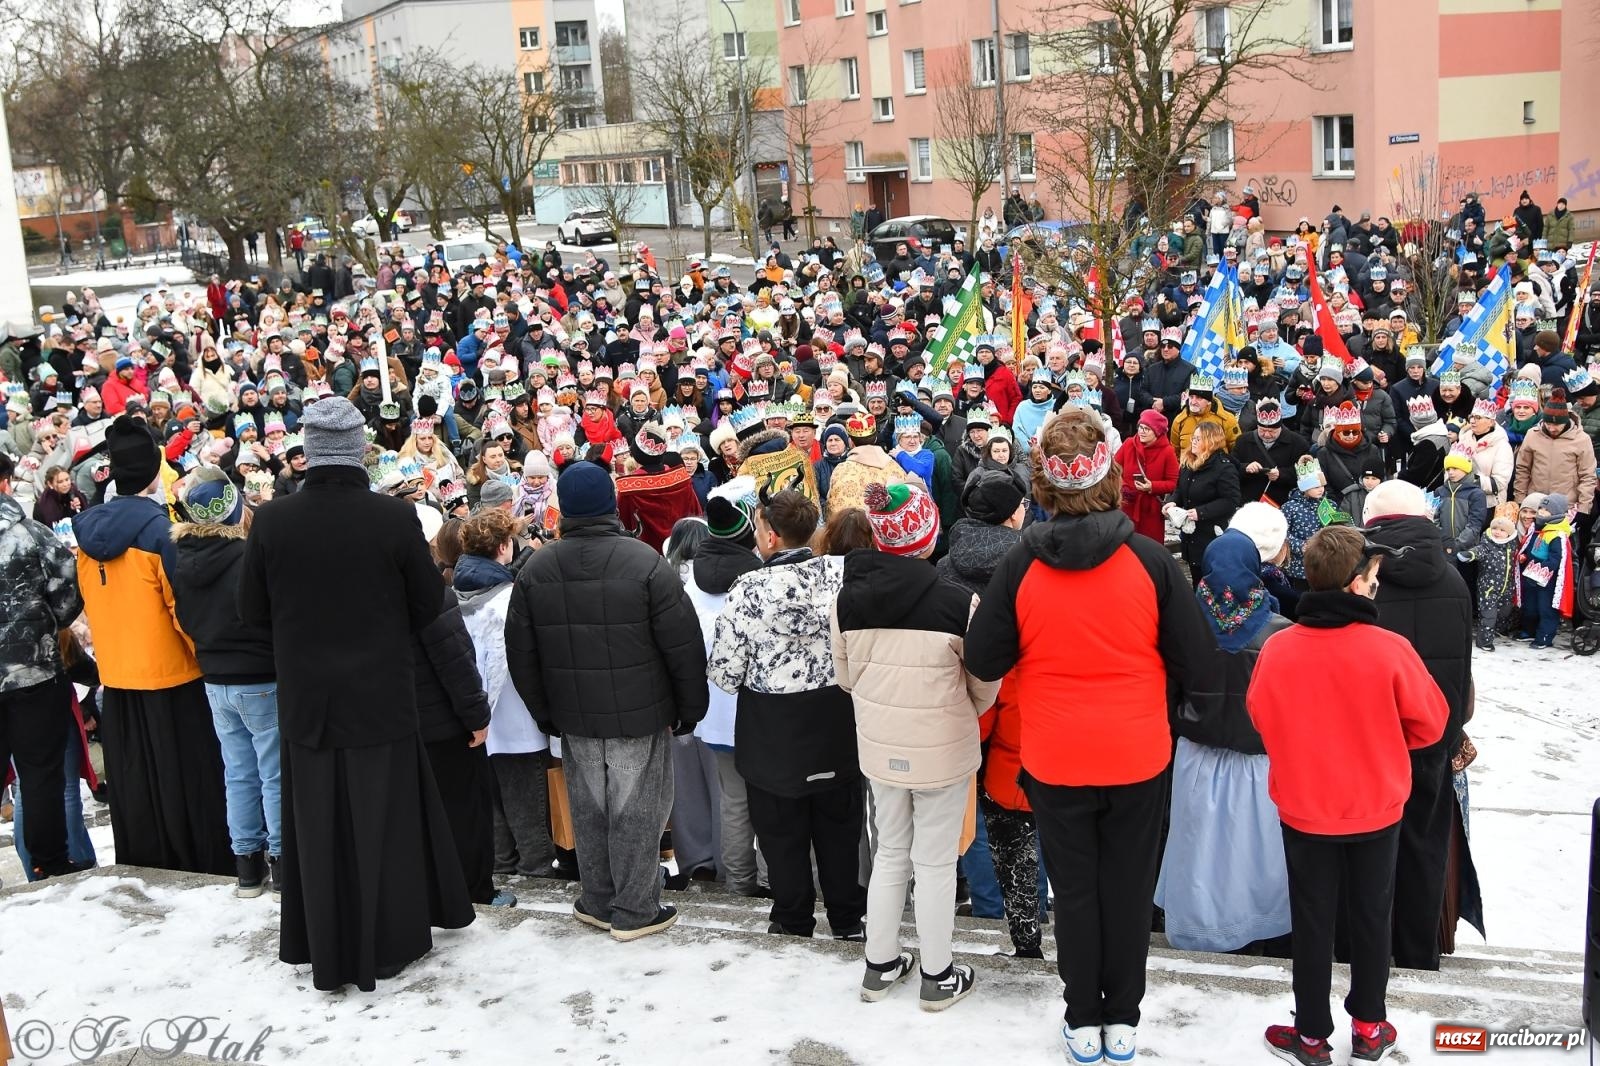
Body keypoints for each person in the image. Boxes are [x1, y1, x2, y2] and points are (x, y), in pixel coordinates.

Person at [965, 409, 1215, 1065]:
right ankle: (1121, 1019)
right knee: (1128, 890)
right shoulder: (1153, 562)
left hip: (1053, 753)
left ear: (1043, 481)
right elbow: (1199, 662)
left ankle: (1082, 1017)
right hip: (1137, 752)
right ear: (1108, 476)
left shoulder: (1021, 564)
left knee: (1074, 893)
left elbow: (984, 658)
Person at [239, 397, 474, 990]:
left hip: (309, 701)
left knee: (317, 826)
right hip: (381, 697)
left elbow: (251, 612)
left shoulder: (272, 521)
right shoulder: (393, 519)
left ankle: (325, 943)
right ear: (359, 451)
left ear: (310, 451)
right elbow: (427, 605)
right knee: (384, 820)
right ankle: (390, 941)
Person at [1251, 525, 1448, 1066]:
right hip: (1374, 806)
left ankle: (1311, 1035)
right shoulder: (1390, 649)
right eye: (1375, 577)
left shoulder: (1280, 648)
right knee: (1371, 914)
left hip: (1305, 806)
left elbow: (1261, 718)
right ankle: (1368, 1024)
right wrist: (1384, 741)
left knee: (1312, 919)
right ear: (1359, 585)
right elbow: (1430, 724)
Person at [505, 460, 708, 941]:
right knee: (637, 809)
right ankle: (635, 908)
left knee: (591, 807)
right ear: (609, 504)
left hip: (574, 714)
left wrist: (545, 714)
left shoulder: (537, 567)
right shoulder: (644, 562)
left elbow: (521, 653)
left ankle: (598, 898)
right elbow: (683, 646)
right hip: (640, 713)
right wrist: (689, 709)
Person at [834, 481, 1000, 1010]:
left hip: (881, 747)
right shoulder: (957, 601)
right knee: (933, 864)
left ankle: (879, 965)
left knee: (889, 856)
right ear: (928, 539)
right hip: (943, 750)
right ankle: (938, 974)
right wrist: (957, 715)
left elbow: (845, 677)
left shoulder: (849, 598)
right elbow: (984, 683)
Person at [74, 416, 232, 876]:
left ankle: (145, 866)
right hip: (174, 678)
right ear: (152, 473)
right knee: (189, 784)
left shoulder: (85, 535)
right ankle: (202, 863)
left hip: (119, 680)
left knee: (138, 789)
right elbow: (182, 612)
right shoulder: (162, 532)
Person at [708, 488, 866, 941]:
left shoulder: (748, 589)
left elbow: (724, 670)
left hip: (773, 728)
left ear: (772, 537)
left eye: (758, 529)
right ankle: (846, 919)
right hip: (837, 717)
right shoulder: (842, 574)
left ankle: (794, 919)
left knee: (781, 835)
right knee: (839, 828)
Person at [1155, 529, 1292, 954]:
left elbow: (1169, 694)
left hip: (1197, 755)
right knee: (1255, 852)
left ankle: (1201, 928)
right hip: (1259, 762)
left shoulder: (1183, 628)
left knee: (1199, 849)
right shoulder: (1280, 632)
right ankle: (1260, 931)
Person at [1361, 477, 1478, 969]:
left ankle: (1364, 954)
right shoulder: (1452, 580)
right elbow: (1462, 669)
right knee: (1424, 847)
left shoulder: (1362, 577)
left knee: (1367, 853)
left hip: (1369, 741)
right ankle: (1417, 952)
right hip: (1433, 738)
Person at [168, 469, 282, 897]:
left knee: (237, 773)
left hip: (215, 679)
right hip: (259, 675)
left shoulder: (183, 558)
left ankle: (247, 867)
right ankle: (283, 862)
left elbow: (187, 619)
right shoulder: (247, 557)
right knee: (272, 774)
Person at [0, 451, 88, 880]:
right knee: (40, 773)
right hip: (33, 670)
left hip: (29, 671)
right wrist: (44, 627)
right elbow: (68, 596)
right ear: (5, 483)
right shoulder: (33, 536)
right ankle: (49, 860)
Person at [684, 478, 767, 896]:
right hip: (760, 709)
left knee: (734, 801)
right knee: (770, 799)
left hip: (716, 714)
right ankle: (771, 878)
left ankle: (739, 881)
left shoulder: (690, 585)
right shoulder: (761, 583)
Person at [1171, 421, 1241, 586]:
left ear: (1211, 442)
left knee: (1211, 580)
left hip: (1211, 534)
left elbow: (1231, 500)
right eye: (1193, 438)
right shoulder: (1188, 463)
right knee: (1196, 579)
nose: (1193, 442)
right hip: (1190, 534)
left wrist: (1200, 512)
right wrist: (1172, 503)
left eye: (1198, 439)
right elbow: (1180, 490)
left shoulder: (1224, 468)